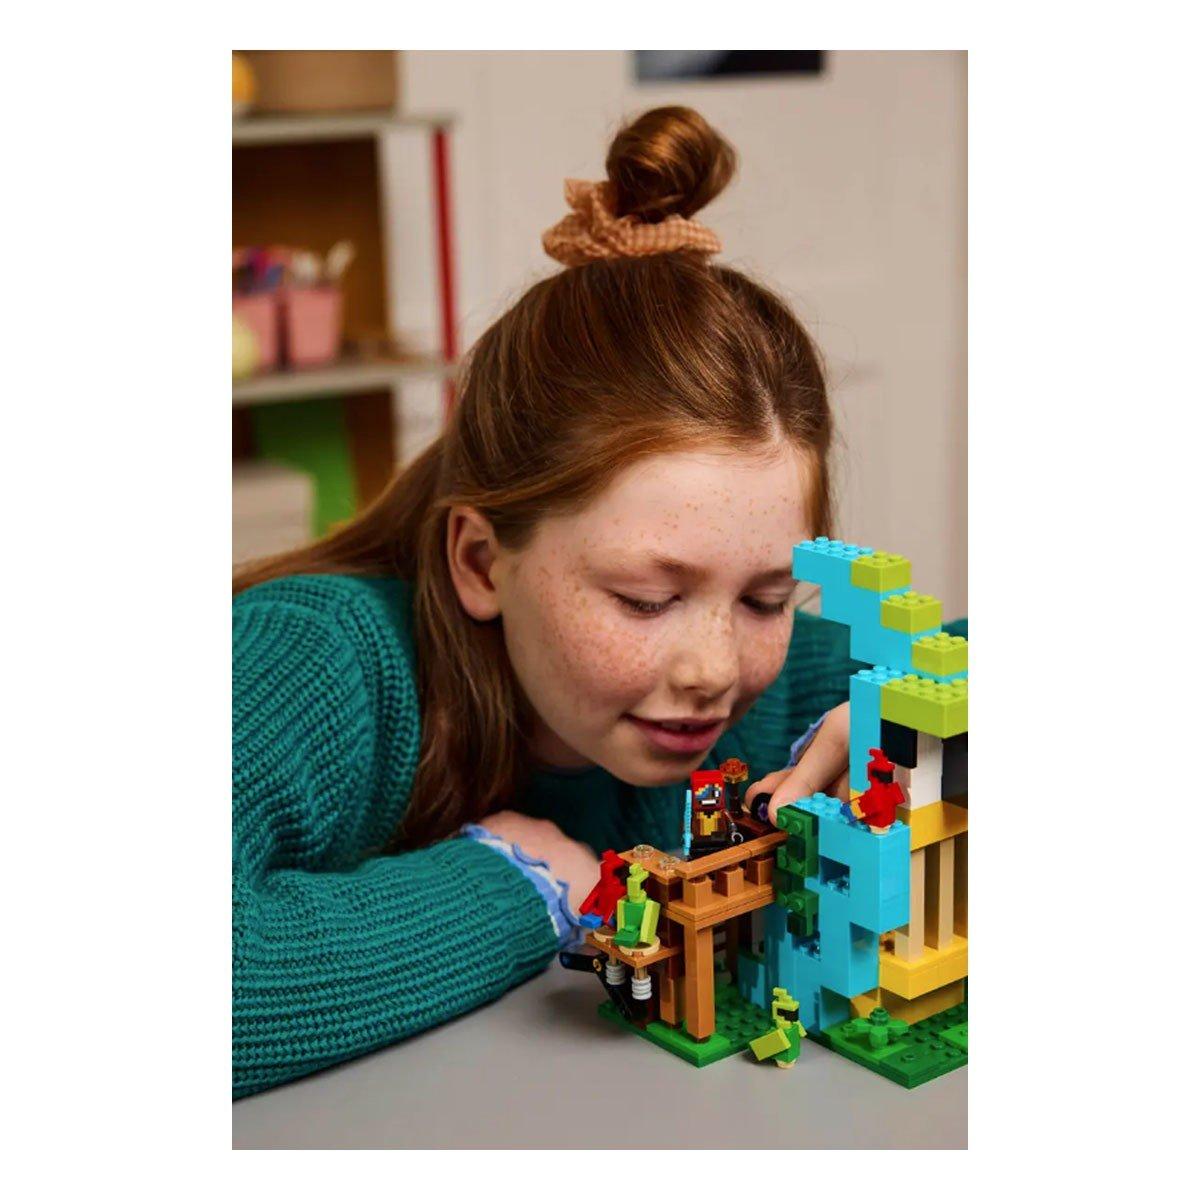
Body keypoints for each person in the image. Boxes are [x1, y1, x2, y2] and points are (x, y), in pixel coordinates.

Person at [232, 106, 862, 1099]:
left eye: (765, 597)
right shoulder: (311, 659)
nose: (715, 670)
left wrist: (918, 729)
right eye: (646, 600)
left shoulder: (760, 687)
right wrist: (513, 884)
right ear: (483, 562)